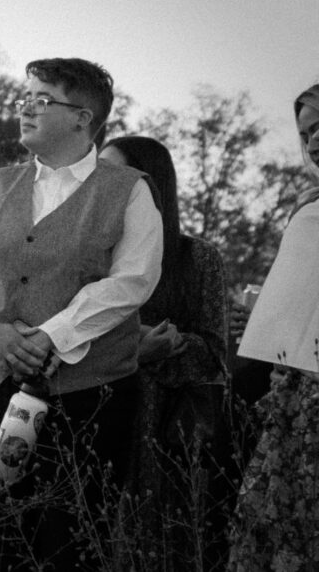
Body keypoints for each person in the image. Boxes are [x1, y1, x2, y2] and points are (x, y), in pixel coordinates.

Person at [0, 58, 163, 569]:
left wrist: (50, 336)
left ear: (82, 117)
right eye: (24, 98)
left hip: (88, 397)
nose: (25, 108)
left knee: (70, 543)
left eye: (41, 99)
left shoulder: (130, 190)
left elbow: (132, 281)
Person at [99, 135, 228, 568]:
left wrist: (165, 344)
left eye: (113, 171)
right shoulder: (91, 254)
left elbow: (214, 353)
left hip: (166, 432)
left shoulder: (199, 258)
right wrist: (132, 347)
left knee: (156, 549)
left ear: (149, 183)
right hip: (93, 418)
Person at [228, 84, 319, 570]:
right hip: (295, 394)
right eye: (306, 132)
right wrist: (264, 314)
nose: (313, 139)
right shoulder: (308, 204)